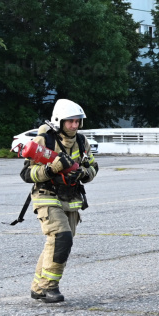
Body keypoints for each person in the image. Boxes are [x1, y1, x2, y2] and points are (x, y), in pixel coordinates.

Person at [20, 99, 99, 303]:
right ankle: (50, 287)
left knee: (55, 243)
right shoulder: (44, 141)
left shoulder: (82, 142)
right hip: (46, 195)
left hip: (71, 197)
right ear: (59, 121)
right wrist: (49, 169)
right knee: (61, 237)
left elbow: (93, 167)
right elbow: (26, 173)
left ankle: (38, 287)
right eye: (70, 121)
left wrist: (83, 173)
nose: (74, 125)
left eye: (77, 121)